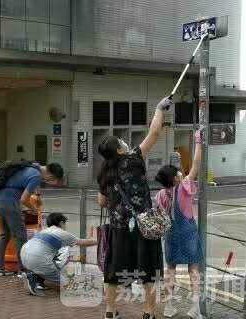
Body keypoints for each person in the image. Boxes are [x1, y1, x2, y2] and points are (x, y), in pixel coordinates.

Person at [97, 96, 173, 319]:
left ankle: (110, 311)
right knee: (148, 269)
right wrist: (160, 109)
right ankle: (148, 312)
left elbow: (102, 202)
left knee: (114, 269)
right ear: (120, 151)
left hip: (119, 227)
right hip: (144, 226)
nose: (124, 143)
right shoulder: (132, 160)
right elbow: (154, 133)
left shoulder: (104, 173)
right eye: (121, 142)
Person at [156, 131, 204, 319]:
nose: (179, 170)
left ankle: (168, 306)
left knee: (171, 269)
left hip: (170, 234)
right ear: (175, 178)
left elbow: (161, 215)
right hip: (189, 232)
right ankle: (195, 309)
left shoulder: (161, 194)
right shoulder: (184, 186)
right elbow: (197, 164)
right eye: (176, 170)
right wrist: (198, 141)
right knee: (194, 268)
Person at [0, 161, 64, 277]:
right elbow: (24, 199)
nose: (49, 182)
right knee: (20, 236)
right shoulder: (36, 175)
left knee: (4, 234)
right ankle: (24, 270)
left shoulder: (32, 166)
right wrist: (36, 210)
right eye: (52, 180)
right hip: (9, 203)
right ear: (51, 175)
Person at [20, 212, 97, 296]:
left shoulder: (44, 231)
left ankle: (33, 277)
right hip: (38, 260)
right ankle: (33, 279)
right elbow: (83, 242)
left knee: (49, 260)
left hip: (24, 256)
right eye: (64, 223)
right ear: (61, 223)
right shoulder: (62, 233)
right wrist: (100, 240)